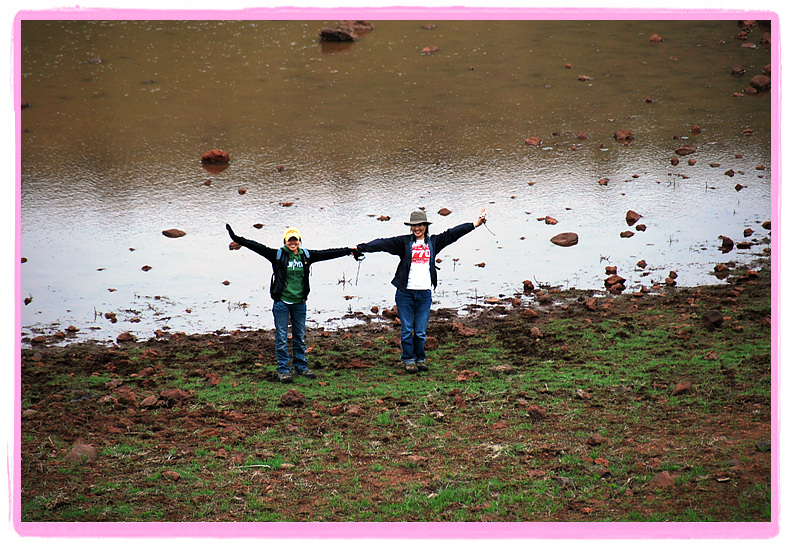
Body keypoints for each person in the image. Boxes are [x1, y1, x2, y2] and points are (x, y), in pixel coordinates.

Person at [354, 209, 486, 374]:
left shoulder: (434, 242)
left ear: (425, 226)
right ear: (411, 227)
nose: (417, 229)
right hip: (405, 294)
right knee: (407, 329)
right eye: (414, 226)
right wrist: (361, 247)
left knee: (421, 332)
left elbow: (453, 234)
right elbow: (383, 243)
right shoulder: (403, 243)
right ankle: (408, 359)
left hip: (424, 294)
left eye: (420, 225)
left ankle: (420, 358)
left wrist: (475, 224)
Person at [226, 223, 356, 383]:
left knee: (299, 336)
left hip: (300, 303)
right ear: (285, 241)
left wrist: (348, 250)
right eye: (290, 240)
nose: (293, 243)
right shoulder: (277, 255)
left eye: (295, 240)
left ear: (299, 241)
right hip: (282, 302)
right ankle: (283, 370)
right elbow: (256, 246)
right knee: (281, 337)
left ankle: (301, 367)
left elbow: (327, 253)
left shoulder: (306, 255)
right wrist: (237, 238)